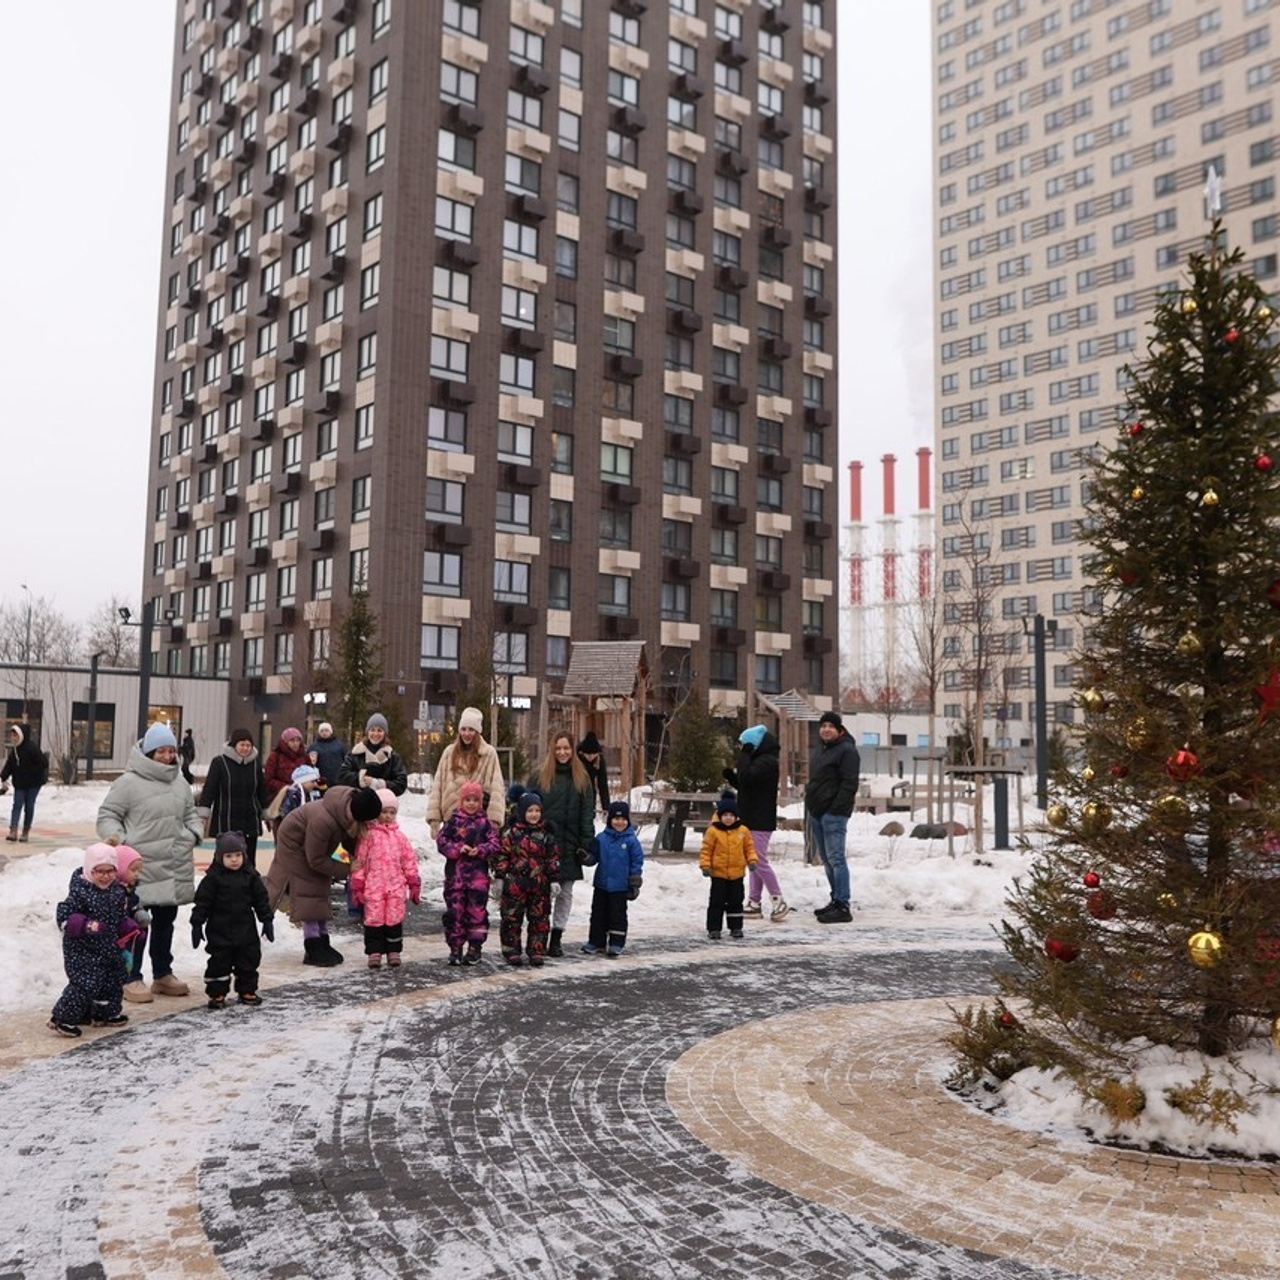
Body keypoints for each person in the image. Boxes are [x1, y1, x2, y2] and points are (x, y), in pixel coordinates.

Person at [97, 723, 204, 997]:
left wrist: (192, 834)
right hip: (140, 868)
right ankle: (130, 977)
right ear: (148, 752)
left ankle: (162, 973)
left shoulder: (179, 782)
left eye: (171, 750)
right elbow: (108, 815)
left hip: (172, 864)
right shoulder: (128, 783)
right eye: (161, 751)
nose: (167, 756)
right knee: (136, 925)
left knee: (165, 923)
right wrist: (120, 843)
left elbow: (191, 815)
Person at [265, 784, 382, 967]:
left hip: (312, 846)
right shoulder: (323, 820)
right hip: (294, 845)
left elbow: (347, 841)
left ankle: (322, 941)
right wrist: (347, 868)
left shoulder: (344, 811)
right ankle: (312, 946)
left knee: (320, 887)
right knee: (309, 889)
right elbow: (316, 860)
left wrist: (358, 855)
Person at [48, 844, 131, 1037]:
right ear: (89, 870)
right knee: (86, 982)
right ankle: (63, 1018)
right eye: (99, 872)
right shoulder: (80, 891)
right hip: (82, 949)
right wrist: (84, 925)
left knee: (112, 978)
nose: (105, 876)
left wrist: (128, 927)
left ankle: (104, 1013)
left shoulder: (117, 891)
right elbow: (64, 916)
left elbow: (120, 916)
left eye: (110, 871)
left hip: (108, 946)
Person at [529, 732, 596, 958]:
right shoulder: (540, 776)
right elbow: (527, 808)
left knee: (565, 893)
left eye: (566, 748)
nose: (562, 752)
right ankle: (539, 935)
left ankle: (556, 936)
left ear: (572, 749)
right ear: (552, 749)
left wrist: (586, 843)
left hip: (570, 843)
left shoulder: (582, 778)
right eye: (558, 748)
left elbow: (587, 814)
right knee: (542, 893)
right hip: (543, 844)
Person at [190, 831, 274, 1008]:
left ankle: (247, 990)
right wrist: (197, 923)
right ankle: (217, 993)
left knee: (248, 960)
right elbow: (202, 903)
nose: (234, 860)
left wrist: (267, 920)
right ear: (219, 857)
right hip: (219, 930)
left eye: (238, 855)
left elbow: (261, 900)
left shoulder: (250, 876)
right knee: (219, 962)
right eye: (229, 856)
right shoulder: (213, 879)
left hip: (246, 929)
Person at [350, 789, 421, 969]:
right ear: (376, 812)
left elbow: (409, 861)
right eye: (384, 812)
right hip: (374, 887)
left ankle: (393, 951)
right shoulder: (368, 836)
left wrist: (413, 882)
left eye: (392, 812)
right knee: (374, 919)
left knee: (394, 918)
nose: (388, 816)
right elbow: (360, 862)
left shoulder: (400, 838)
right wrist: (357, 885)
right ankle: (374, 951)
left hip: (395, 887)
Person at [725, 725, 790, 923]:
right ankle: (754, 902)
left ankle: (778, 899)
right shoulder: (760, 760)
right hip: (752, 816)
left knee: (758, 861)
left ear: (752, 744)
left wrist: (744, 757)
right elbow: (748, 785)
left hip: (759, 819)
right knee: (752, 861)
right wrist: (733, 779)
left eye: (744, 745)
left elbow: (748, 778)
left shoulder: (766, 762)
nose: (741, 749)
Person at [436, 779, 501, 966]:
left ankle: (475, 947)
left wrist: (480, 850)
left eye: (475, 800)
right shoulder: (453, 822)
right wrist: (458, 849)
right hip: (455, 878)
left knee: (476, 913)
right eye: (468, 800)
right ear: (461, 801)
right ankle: (455, 947)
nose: (471, 803)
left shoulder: (485, 823)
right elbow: (442, 841)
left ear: (480, 802)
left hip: (477, 879)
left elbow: (495, 844)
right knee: (455, 913)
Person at [805, 710, 861, 924]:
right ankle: (835, 899)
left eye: (831, 726)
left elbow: (849, 784)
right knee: (827, 860)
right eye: (823, 726)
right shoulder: (821, 749)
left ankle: (843, 905)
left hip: (834, 814)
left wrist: (834, 810)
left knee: (836, 859)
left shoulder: (847, 750)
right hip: (817, 812)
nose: (826, 729)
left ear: (839, 730)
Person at [493, 790, 559, 967]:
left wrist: (554, 879)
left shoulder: (546, 835)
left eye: (537, 811)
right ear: (522, 812)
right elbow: (502, 856)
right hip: (514, 885)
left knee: (540, 919)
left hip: (539, 886)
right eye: (530, 811)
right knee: (511, 919)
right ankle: (511, 950)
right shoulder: (511, 834)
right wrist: (499, 877)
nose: (534, 814)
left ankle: (536, 950)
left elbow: (552, 858)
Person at [426, 707, 506, 835]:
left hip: (477, 823)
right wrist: (434, 819)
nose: (467, 733)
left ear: (477, 731)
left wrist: (494, 822)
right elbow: (438, 786)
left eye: (471, 730)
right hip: (451, 821)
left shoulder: (488, 754)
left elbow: (496, 788)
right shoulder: (449, 752)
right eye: (463, 729)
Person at [198, 728, 269, 869]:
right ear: (234, 745)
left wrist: (267, 813)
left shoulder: (255, 764)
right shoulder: (220, 763)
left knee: (248, 859)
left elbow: (261, 790)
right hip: (226, 819)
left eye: (248, 745)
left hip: (249, 819)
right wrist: (204, 814)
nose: (245, 748)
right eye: (242, 744)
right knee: (225, 858)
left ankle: (249, 880)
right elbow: (209, 789)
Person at [581, 800, 644, 958]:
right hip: (602, 884)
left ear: (627, 821)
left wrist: (634, 882)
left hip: (620, 886)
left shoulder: (631, 841)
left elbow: (637, 862)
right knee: (598, 914)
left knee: (617, 916)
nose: (619, 822)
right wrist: (586, 857)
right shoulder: (601, 838)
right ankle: (596, 941)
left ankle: (616, 942)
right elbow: (594, 857)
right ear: (610, 820)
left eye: (623, 819)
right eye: (616, 819)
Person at [699, 792, 757, 941]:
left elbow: (749, 848)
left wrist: (752, 861)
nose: (728, 818)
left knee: (736, 901)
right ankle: (714, 928)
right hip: (718, 874)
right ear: (719, 816)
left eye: (731, 815)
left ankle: (736, 927)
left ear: (736, 816)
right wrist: (705, 865)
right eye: (725, 815)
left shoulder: (743, 831)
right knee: (716, 902)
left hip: (737, 874)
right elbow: (706, 850)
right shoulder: (713, 831)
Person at [114, 844, 154, 1004]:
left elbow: (133, 903)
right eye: (133, 870)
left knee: (139, 935)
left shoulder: (129, 889)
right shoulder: (113, 891)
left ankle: (132, 976)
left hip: (130, 933)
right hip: (117, 935)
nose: (137, 874)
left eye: (139, 870)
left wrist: (138, 911)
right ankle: (124, 979)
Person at [338, 713, 408, 796]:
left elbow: (401, 783)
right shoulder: (355, 753)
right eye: (372, 730)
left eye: (379, 730)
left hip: (383, 801)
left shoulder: (392, 756)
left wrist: (378, 784)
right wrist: (361, 779)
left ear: (385, 733)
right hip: (358, 800)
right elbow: (342, 776)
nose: (375, 734)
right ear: (367, 732)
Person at [3, 723, 48, 843]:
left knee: (29, 805)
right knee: (17, 804)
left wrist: (30, 772)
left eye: (15, 735)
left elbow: (44, 763)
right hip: (20, 783)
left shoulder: (32, 749)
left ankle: (25, 831)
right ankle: (13, 830)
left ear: (21, 736)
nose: (13, 738)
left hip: (33, 783)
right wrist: (2, 777)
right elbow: (9, 766)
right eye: (12, 735)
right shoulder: (15, 751)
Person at [263, 727, 308, 802]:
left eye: (298, 740)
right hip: (280, 798)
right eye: (292, 740)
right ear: (285, 742)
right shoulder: (275, 756)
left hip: (302, 797)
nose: (295, 743)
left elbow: (311, 773)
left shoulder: (304, 756)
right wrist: (287, 787)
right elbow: (268, 780)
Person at [576, 731, 611, 814]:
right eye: (588, 755)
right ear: (583, 753)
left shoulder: (600, 761)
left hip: (590, 790)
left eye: (593, 754)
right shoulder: (577, 759)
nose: (590, 757)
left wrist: (606, 808)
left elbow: (603, 785)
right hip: (576, 788)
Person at [308, 721, 347, 790]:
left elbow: (346, 760)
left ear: (330, 732)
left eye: (326, 730)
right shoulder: (313, 747)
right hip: (320, 779)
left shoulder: (340, 746)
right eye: (322, 731)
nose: (324, 733)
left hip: (337, 779)